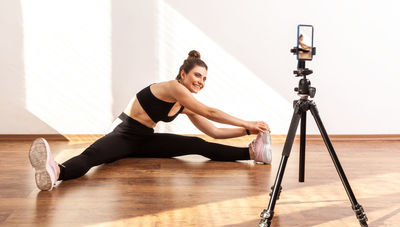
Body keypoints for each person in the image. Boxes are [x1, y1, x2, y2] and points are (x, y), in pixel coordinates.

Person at [29, 50, 272, 191]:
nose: (201, 81)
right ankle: (56, 171)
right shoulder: (172, 88)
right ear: (183, 74)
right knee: (92, 158)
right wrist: (248, 122)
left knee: (197, 144)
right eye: (197, 75)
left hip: (144, 139)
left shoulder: (185, 104)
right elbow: (210, 112)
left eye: (205, 78)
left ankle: (252, 154)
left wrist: (247, 133)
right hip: (122, 134)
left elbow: (215, 131)